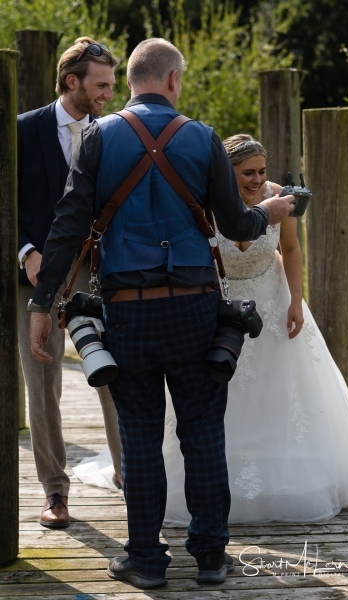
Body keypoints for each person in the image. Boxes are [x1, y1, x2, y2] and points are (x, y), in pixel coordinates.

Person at [27, 39, 295, 589]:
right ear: (173, 80)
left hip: (127, 313)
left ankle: (146, 561)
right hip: (197, 309)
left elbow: (68, 226)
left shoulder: (98, 138)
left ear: (129, 81)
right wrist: (267, 210)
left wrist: (41, 303)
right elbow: (239, 230)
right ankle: (211, 558)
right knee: (202, 433)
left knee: (142, 435)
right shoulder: (202, 139)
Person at [162, 134, 348, 525]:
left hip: (272, 298)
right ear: (225, 173)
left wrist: (295, 301)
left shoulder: (280, 196)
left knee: (281, 390)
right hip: (220, 306)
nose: (257, 179)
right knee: (222, 394)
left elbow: (292, 249)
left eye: (262, 171)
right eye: (247, 173)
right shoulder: (203, 200)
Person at [18, 37, 123, 529]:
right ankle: (54, 492)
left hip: (96, 272)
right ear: (71, 81)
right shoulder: (22, 131)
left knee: (113, 374)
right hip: (33, 274)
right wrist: (26, 251)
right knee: (43, 384)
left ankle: (130, 474)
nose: (108, 94)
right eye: (101, 85)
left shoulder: (113, 133)